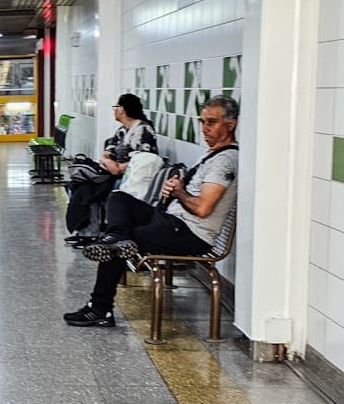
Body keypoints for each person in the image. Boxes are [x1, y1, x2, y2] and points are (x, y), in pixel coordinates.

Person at [64, 95, 239, 327]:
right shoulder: (212, 153)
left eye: (212, 122)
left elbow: (204, 208)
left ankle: (100, 309)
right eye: (203, 121)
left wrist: (179, 193)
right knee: (118, 199)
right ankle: (117, 237)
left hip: (190, 234)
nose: (205, 128)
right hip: (171, 221)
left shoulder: (226, 160)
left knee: (113, 246)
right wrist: (178, 189)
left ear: (231, 124)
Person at [64, 94, 158, 247]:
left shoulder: (143, 130)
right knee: (80, 185)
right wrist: (109, 162)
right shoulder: (122, 130)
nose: (114, 111)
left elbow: (147, 158)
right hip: (113, 172)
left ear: (122, 109)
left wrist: (121, 167)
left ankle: (90, 233)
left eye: (116, 107)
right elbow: (107, 152)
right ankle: (86, 232)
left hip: (130, 176)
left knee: (89, 189)